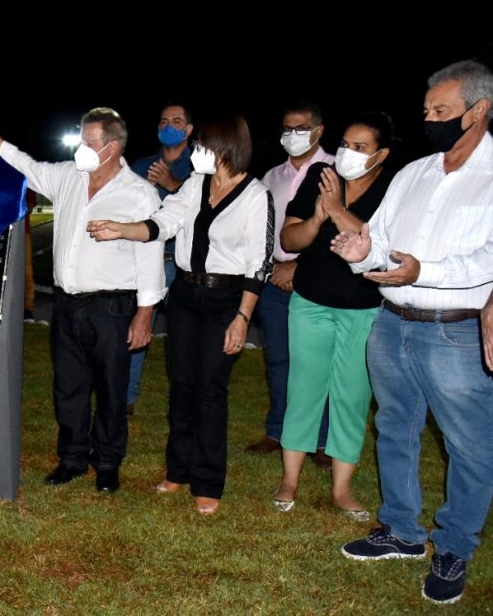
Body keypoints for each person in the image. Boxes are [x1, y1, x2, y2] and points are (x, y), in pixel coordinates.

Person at [334, 59, 493, 605]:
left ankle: (454, 546)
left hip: (456, 332)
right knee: (394, 428)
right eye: (426, 110)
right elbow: (380, 239)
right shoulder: (413, 173)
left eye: (441, 111)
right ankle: (401, 529)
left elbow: (487, 258)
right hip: (391, 323)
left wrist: (423, 272)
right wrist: (362, 252)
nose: (430, 120)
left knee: (468, 445)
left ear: (479, 110)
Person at [88, 115, 272, 515]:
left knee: (210, 389)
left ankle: (208, 481)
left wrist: (242, 318)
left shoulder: (256, 195)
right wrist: (124, 229)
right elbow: (164, 223)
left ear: (226, 148)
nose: (196, 152)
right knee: (182, 385)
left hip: (226, 299)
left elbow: (259, 264)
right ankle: (179, 470)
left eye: (202, 146)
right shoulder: (195, 184)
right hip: (186, 295)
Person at [0, 109, 165, 493]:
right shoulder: (68, 176)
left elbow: (150, 256)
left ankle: (107, 462)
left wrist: (144, 314)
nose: (82, 149)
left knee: (111, 387)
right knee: (68, 386)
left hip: (111, 307)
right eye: (81, 140)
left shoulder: (138, 193)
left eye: (89, 143)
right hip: (67, 305)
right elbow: (26, 166)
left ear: (113, 147)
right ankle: (73, 458)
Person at [271, 113, 396, 520]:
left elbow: (383, 245)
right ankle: (289, 480)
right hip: (311, 301)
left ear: (381, 154)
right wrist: (317, 219)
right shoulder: (321, 176)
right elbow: (290, 238)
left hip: (363, 308)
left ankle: (341, 489)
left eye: (360, 147)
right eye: (345, 144)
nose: (348, 153)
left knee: (352, 395)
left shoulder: (394, 187)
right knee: (303, 388)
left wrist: (338, 210)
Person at [246, 101, 334, 461]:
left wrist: (298, 267)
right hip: (273, 282)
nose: (292, 134)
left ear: (319, 131)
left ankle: (322, 440)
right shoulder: (271, 177)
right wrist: (271, 269)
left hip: (317, 282)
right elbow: (262, 230)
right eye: (287, 128)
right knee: (279, 361)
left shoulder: (335, 172)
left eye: (301, 128)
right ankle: (278, 432)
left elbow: (339, 232)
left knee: (318, 364)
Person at [126, 102, 195, 414]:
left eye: (177, 121)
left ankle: (181, 401)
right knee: (136, 329)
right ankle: (126, 397)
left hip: (182, 263)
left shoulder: (201, 166)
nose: (169, 126)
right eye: (164, 121)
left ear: (189, 129)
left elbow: (205, 210)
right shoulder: (141, 165)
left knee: (183, 338)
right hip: (144, 260)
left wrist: (172, 185)